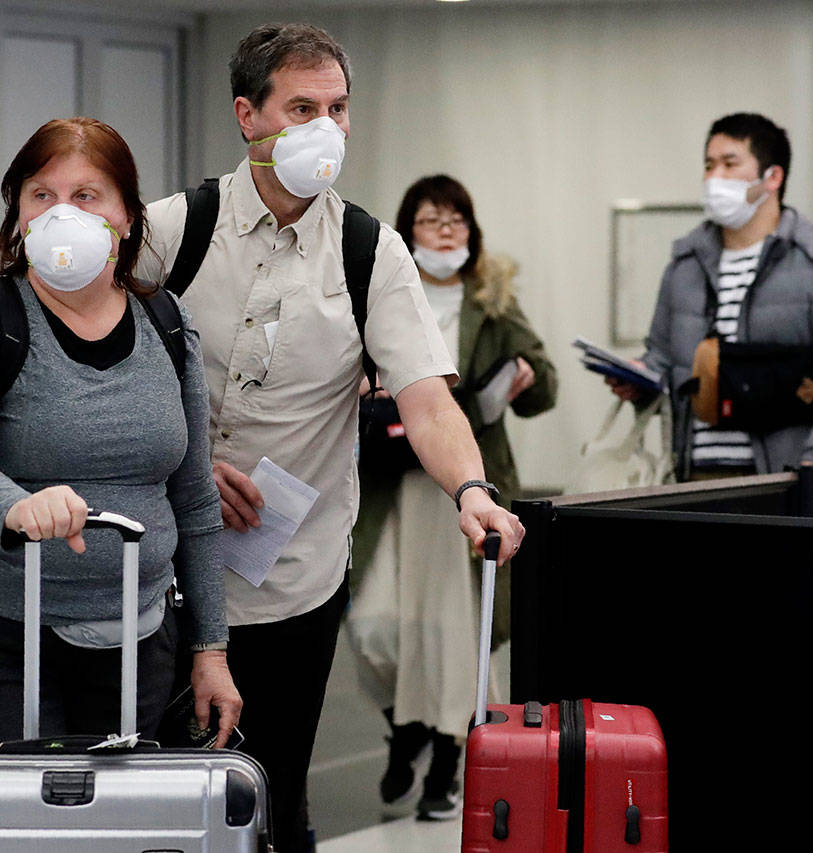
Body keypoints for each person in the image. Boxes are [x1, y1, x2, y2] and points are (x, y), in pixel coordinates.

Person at [137, 24, 525, 852]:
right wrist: (192, 463)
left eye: (338, 107)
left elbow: (427, 399)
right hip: (162, 570)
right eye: (301, 107)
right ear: (248, 116)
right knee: (165, 797)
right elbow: (99, 365)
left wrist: (473, 489)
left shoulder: (369, 251)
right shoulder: (175, 229)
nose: (325, 127)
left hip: (292, 575)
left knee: (271, 791)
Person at [0, 117, 241, 750]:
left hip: (135, 638)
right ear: (19, 216)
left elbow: (193, 499)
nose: (61, 214)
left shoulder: (166, 321)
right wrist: (17, 505)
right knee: (21, 823)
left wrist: (209, 649)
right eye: (41, 196)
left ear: (127, 217)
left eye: (86, 196)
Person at [348, 175, 557, 820]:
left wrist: (510, 389)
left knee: (452, 636)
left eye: (457, 222)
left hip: (466, 490)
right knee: (375, 629)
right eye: (432, 221)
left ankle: (446, 758)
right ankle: (407, 726)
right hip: (390, 487)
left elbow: (546, 384)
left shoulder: (491, 303)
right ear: (406, 229)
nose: (445, 233)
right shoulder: (381, 295)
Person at [608, 112, 813, 477]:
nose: (713, 177)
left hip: (781, 478)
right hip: (693, 477)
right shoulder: (685, 264)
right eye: (708, 165)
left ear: (773, 177)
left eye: (729, 164)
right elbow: (663, 357)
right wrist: (640, 377)